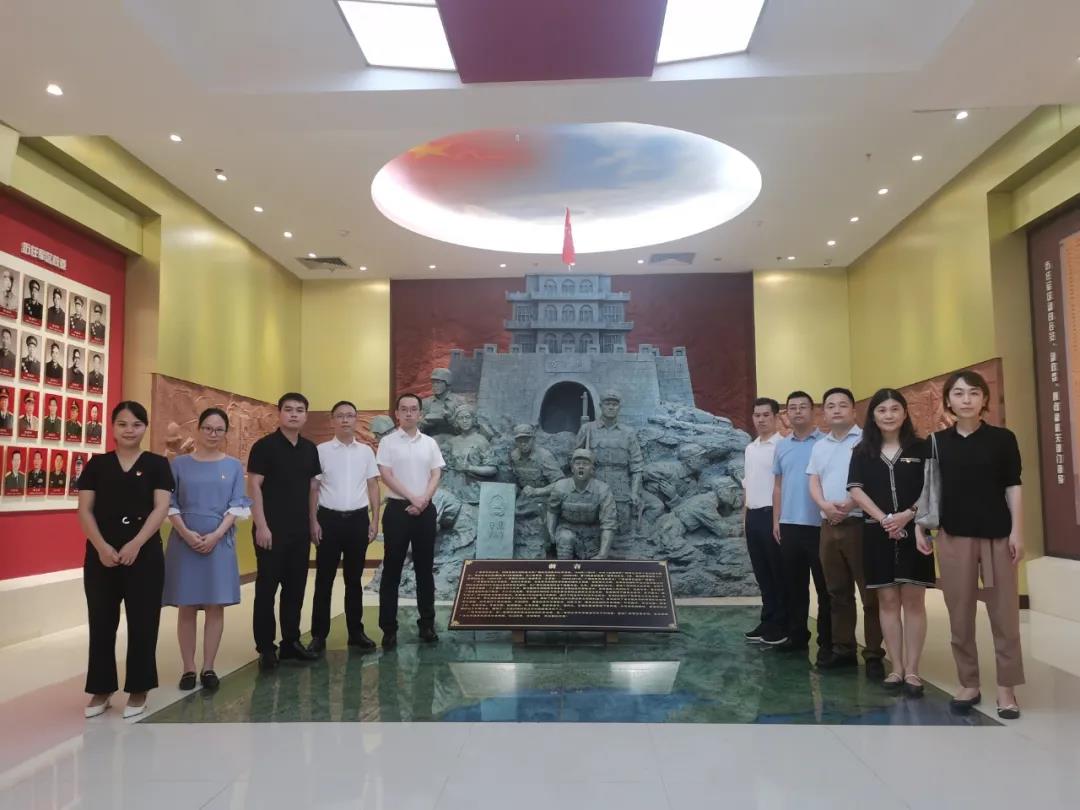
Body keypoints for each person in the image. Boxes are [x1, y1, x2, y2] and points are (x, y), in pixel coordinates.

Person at [915, 370, 1025, 719]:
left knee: (1005, 616)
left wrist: (1018, 531)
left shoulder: (1003, 439)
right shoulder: (936, 442)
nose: (966, 399)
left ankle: (1006, 687)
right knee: (959, 615)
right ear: (948, 400)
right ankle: (969, 682)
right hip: (953, 536)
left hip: (997, 536)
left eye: (974, 393)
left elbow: (1013, 486)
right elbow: (929, 489)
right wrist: (921, 527)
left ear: (984, 399)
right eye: (959, 393)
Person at [78, 401, 174, 719]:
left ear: (145, 427)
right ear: (113, 427)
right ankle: (101, 689)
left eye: (136, 424)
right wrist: (101, 547)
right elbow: (84, 510)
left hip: (143, 555)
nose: (129, 430)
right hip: (101, 556)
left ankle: (139, 688)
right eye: (122, 424)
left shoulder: (158, 464)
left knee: (144, 622)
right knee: (101, 622)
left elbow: (161, 508)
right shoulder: (97, 465)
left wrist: (135, 544)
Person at [848, 389, 935, 697]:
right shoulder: (862, 451)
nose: (888, 415)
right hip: (877, 532)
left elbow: (931, 486)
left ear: (905, 413)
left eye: (894, 409)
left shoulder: (922, 448)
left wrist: (908, 515)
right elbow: (855, 490)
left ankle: (913, 670)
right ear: (873, 415)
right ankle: (896, 668)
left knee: (914, 601)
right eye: (882, 410)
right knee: (886, 601)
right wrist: (886, 519)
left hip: (915, 532)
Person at [163, 408, 250, 691]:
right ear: (198, 430)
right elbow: (169, 502)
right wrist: (186, 533)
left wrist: (216, 535)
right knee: (186, 605)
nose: (213, 434)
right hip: (184, 540)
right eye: (208, 428)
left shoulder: (233, 466)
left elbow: (237, 505)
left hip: (219, 542)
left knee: (215, 605)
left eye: (219, 429)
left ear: (225, 433)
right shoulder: (179, 464)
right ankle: (188, 668)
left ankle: (208, 666)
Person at [807, 387, 885, 676]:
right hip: (828, 525)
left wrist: (852, 502)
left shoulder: (868, 441)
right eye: (830, 406)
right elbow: (814, 480)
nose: (836, 409)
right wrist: (824, 506)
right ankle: (844, 650)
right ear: (824, 413)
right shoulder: (819, 446)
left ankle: (874, 654)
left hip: (860, 525)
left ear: (854, 410)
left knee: (870, 594)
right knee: (837, 592)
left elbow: (875, 480)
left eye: (842, 405)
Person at [247, 393, 322, 670]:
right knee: (267, 589)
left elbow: (313, 488)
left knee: (295, 588)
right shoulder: (264, 447)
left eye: (299, 410)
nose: (293, 414)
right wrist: (261, 525)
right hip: (271, 530)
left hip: (300, 531)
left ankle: (291, 642)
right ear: (279, 413)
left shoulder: (309, 449)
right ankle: (266, 648)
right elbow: (254, 486)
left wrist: (313, 522)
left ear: (305, 415)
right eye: (288, 409)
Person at [308, 400, 381, 654]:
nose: (345, 420)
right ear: (332, 420)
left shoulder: (366, 452)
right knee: (324, 580)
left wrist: (375, 520)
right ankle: (318, 635)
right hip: (328, 521)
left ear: (356, 420)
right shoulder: (321, 451)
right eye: (340, 416)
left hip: (358, 521)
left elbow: (373, 486)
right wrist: (313, 521)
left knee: (354, 580)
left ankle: (356, 632)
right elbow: (314, 488)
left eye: (350, 415)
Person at [376, 393, 445, 649]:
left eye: (413, 409)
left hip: (425, 510)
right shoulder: (388, 442)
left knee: (425, 569)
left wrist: (423, 500)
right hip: (397, 510)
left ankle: (427, 623)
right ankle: (388, 628)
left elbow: (436, 473)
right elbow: (386, 474)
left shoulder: (429, 443)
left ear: (420, 413)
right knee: (392, 570)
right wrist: (412, 498)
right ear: (397, 414)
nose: (408, 413)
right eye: (403, 409)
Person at [772, 391, 832, 663]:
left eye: (803, 407)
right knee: (794, 586)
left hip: (820, 525)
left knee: (825, 587)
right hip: (789, 525)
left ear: (813, 411)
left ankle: (827, 641)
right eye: (792, 408)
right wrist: (776, 519)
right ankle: (797, 636)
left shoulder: (825, 443)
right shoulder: (782, 446)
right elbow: (778, 486)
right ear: (786, 414)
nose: (797, 412)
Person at [741, 397, 787, 646]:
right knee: (762, 573)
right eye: (757, 415)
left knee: (778, 572)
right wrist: (744, 519)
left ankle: (781, 624)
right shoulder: (750, 448)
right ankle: (767, 620)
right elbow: (747, 485)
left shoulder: (783, 446)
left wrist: (778, 519)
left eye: (766, 415)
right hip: (753, 515)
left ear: (776, 417)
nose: (761, 419)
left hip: (774, 515)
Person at [576, 390, 644, 537]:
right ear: (600, 406)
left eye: (615, 404)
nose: (611, 407)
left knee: (622, 528)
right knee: (592, 525)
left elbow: (637, 465)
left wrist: (634, 492)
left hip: (621, 484)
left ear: (619, 407)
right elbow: (575, 458)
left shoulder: (628, 432)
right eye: (607, 404)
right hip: (594, 481)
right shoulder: (587, 429)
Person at [547, 449, 618, 559]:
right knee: (565, 538)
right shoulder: (560, 487)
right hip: (567, 530)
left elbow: (609, 523)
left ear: (592, 469)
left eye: (585, 464)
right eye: (577, 463)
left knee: (591, 564)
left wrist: (603, 554)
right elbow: (552, 510)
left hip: (592, 536)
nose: (581, 467)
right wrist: (551, 533)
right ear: (572, 468)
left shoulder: (603, 490)